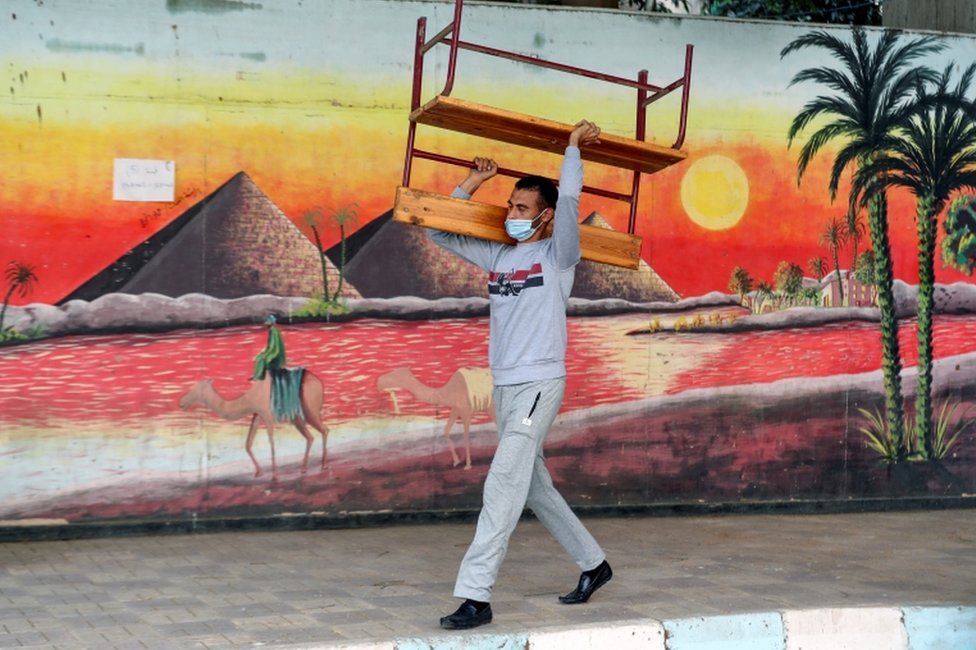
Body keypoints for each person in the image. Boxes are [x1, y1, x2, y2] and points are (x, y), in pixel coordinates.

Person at [429, 120, 613, 631]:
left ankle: (476, 596)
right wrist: (472, 183)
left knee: (504, 481)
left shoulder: (559, 256)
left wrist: (572, 149)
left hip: (538, 384)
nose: (510, 213)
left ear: (545, 215)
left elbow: (573, 203)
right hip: (505, 388)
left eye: (521, 208)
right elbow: (436, 227)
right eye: (509, 205)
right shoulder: (499, 254)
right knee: (533, 488)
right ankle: (594, 564)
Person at [252, 314, 285, 381]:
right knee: (258, 357)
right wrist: (264, 351)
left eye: (267, 321)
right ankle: (257, 375)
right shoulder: (272, 330)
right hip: (271, 350)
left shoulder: (274, 331)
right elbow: (270, 344)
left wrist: (268, 353)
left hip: (275, 352)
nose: (266, 323)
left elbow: (275, 346)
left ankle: (259, 376)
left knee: (261, 359)